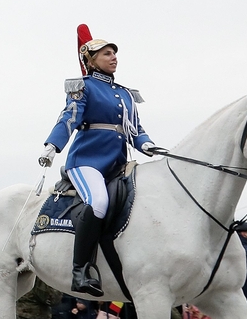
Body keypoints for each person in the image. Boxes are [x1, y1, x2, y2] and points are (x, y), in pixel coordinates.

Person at [40, 24, 160, 297]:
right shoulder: (83, 87)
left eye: (114, 53)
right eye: (106, 54)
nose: (113, 57)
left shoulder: (126, 94)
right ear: (91, 60)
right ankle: (80, 270)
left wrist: (148, 145)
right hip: (87, 162)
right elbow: (69, 117)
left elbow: (135, 130)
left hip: (116, 164)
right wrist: (52, 146)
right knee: (98, 202)